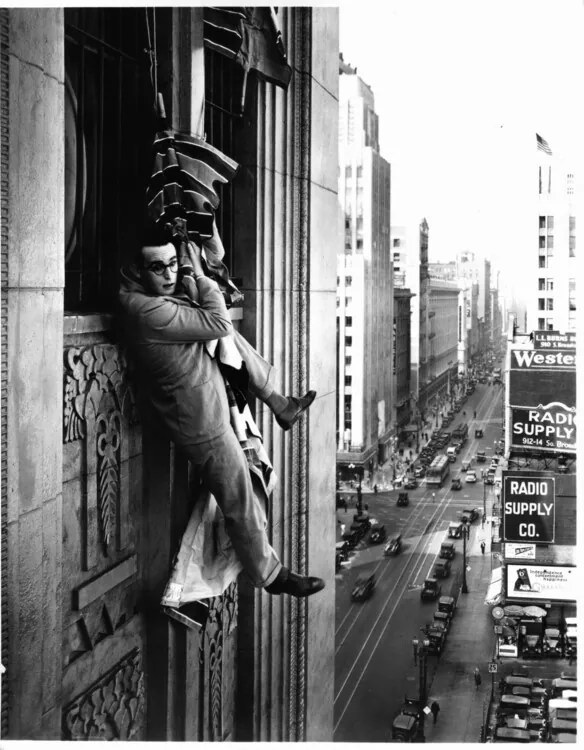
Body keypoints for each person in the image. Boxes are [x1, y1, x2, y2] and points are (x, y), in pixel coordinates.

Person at [119, 225, 323, 598]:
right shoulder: (145, 310)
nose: (168, 275)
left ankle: (280, 403)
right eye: (157, 268)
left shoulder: (159, 290)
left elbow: (216, 255)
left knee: (231, 339)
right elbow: (216, 320)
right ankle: (272, 576)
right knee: (239, 494)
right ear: (136, 270)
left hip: (212, 399)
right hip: (199, 421)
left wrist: (201, 222)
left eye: (171, 264)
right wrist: (195, 274)